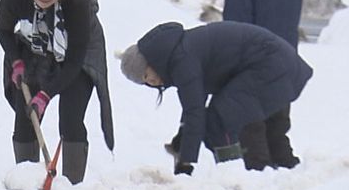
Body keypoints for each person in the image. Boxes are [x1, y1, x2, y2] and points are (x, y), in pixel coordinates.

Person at [120, 21, 312, 176]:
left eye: (146, 75)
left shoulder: (182, 60)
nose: (152, 82)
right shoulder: (180, 49)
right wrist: (183, 137)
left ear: (151, 62)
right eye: (145, 83)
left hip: (269, 67)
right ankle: (291, 178)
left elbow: (195, 111)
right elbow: (195, 102)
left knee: (223, 120)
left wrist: (185, 164)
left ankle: (246, 176)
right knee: (271, 131)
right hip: (279, 64)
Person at [0, 0, 114, 184]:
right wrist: (15, 61)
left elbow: (74, 60)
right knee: (26, 116)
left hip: (75, 57)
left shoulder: (77, 5)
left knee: (71, 118)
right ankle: (26, 181)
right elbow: (4, 30)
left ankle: (70, 188)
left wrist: (46, 94)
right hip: (34, 48)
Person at [222, 0, 303, 169]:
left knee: (251, 122)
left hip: (254, 62)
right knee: (278, 122)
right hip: (287, 56)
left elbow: (237, 28)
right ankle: (286, 165)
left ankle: (259, 172)